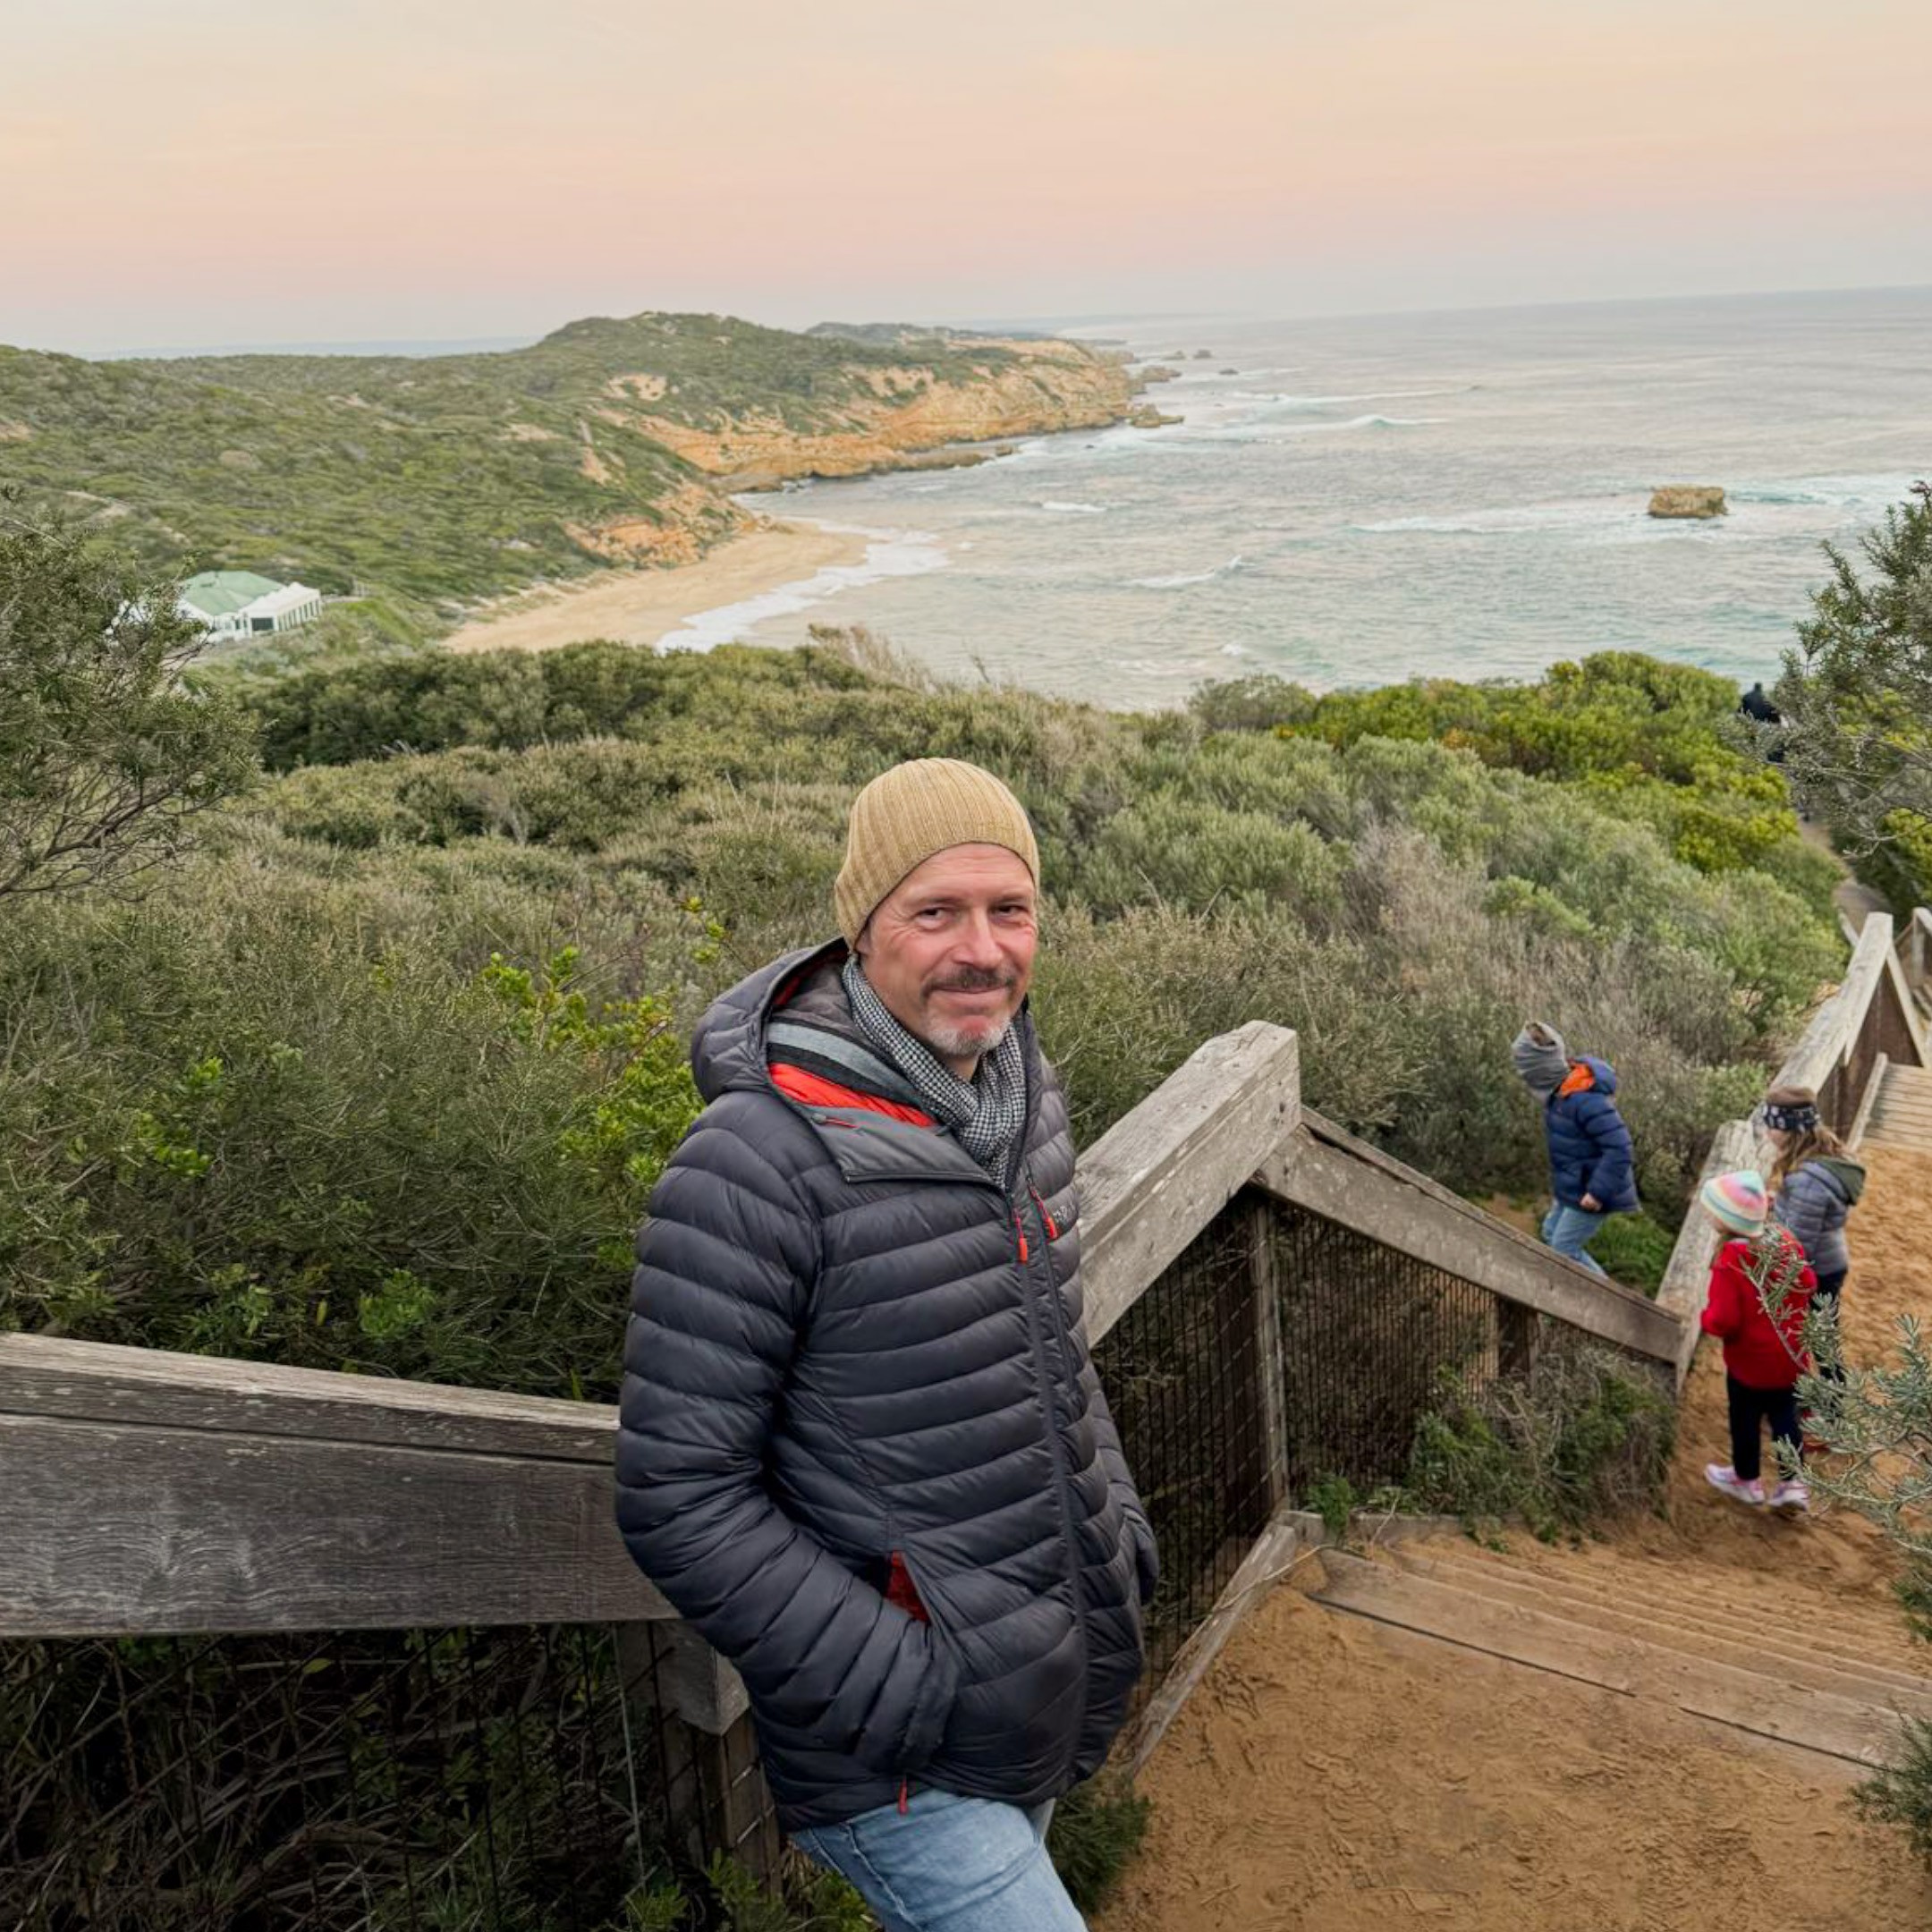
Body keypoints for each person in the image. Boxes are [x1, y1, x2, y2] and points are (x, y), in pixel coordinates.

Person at [615, 758, 1154, 1932]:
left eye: (1009, 911)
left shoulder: (1023, 1094)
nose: (981, 949)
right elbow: (678, 1493)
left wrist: (1117, 1532)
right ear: (861, 933)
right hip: (897, 1757)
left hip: (1035, 1685)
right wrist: (904, 1680)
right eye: (935, 911)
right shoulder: (753, 1164)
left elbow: (1047, 1347)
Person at [1697, 1169, 1817, 1512]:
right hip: (1790, 1357)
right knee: (1784, 1417)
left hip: (1749, 1365)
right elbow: (1807, 1282)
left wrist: (1705, 1319)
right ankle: (1792, 1483)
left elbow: (1723, 1320)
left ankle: (1746, 1480)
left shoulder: (1732, 1261)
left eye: (1712, 1211)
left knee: (1745, 1420)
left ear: (1727, 1220)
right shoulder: (1786, 1243)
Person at [1511, 1021, 1638, 1276]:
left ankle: (1606, 1301)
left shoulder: (1584, 1100)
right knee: (1549, 1233)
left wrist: (1597, 1192)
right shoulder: (1560, 1094)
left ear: (1539, 1069)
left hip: (1595, 1191)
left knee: (1564, 1248)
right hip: (1575, 1185)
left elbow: (1620, 1149)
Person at [1762, 1084, 1865, 1383]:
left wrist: (1762, 1232)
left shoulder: (1808, 1182)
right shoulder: (1818, 1163)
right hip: (1828, 1263)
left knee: (1815, 1340)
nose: (1769, 1133)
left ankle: (1826, 1406)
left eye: (1774, 1126)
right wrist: (1779, 1203)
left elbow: (1797, 1246)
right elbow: (1804, 1218)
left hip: (1815, 1271)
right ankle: (1828, 1399)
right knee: (1823, 1337)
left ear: (1791, 1129)